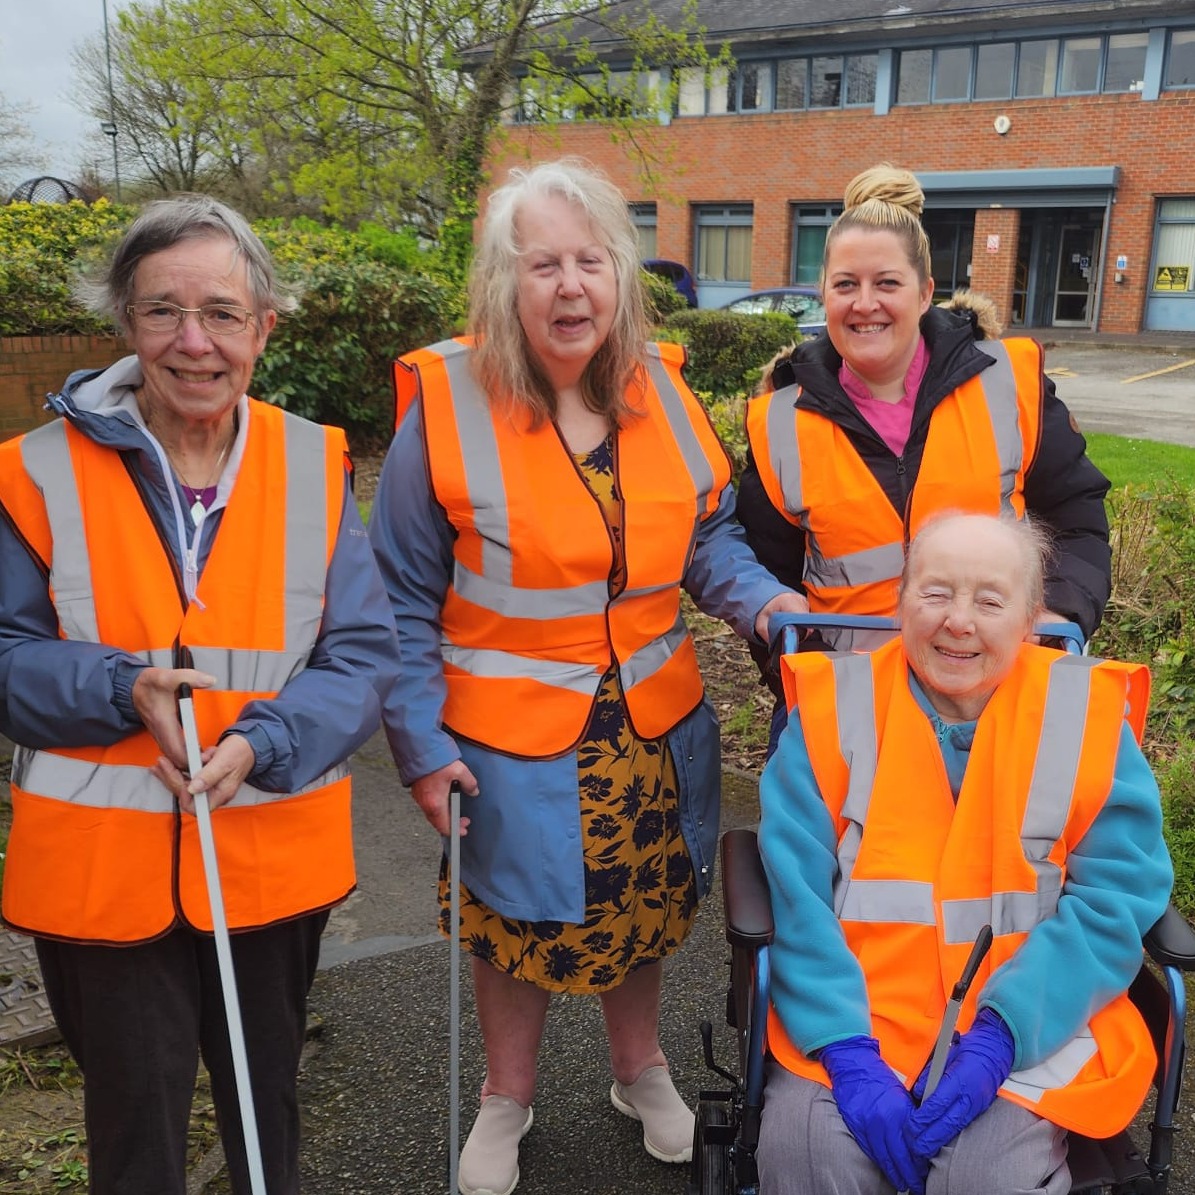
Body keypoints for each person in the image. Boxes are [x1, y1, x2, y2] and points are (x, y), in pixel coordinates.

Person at [367, 158, 804, 1195]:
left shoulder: (659, 385)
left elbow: (707, 538)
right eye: (542, 264)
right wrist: (421, 750)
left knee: (646, 910)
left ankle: (637, 1068)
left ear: (620, 273)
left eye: (590, 260)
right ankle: (504, 1098)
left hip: (652, 726)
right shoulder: (448, 402)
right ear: (501, 286)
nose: (570, 286)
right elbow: (396, 600)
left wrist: (760, 601)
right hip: (508, 736)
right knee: (515, 924)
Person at [0, 196, 399, 1195]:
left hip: (269, 865)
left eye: (222, 313)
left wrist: (265, 740)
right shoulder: (32, 474)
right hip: (102, 879)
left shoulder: (313, 461)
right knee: (136, 1140)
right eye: (161, 313)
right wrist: (117, 686)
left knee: (267, 1126)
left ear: (264, 324)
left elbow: (358, 654)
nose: (194, 343)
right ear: (124, 325)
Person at [755, 511, 1173, 1195]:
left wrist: (999, 1035)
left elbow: (1114, 894)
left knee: (988, 1176)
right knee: (808, 1159)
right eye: (935, 591)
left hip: (1032, 1017)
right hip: (862, 1017)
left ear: (1030, 615)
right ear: (899, 598)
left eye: (988, 599)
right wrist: (843, 1047)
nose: (958, 621)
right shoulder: (831, 711)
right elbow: (795, 896)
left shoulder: (1083, 716)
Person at [739, 164, 1113, 751]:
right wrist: (799, 671)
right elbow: (767, 574)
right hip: (849, 709)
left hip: (997, 698)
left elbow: (1077, 519)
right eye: (845, 285)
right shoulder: (778, 420)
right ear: (823, 294)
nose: (866, 304)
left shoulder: (1007, 384)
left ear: (926, 292)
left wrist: (1061, 611)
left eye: (887, 283)